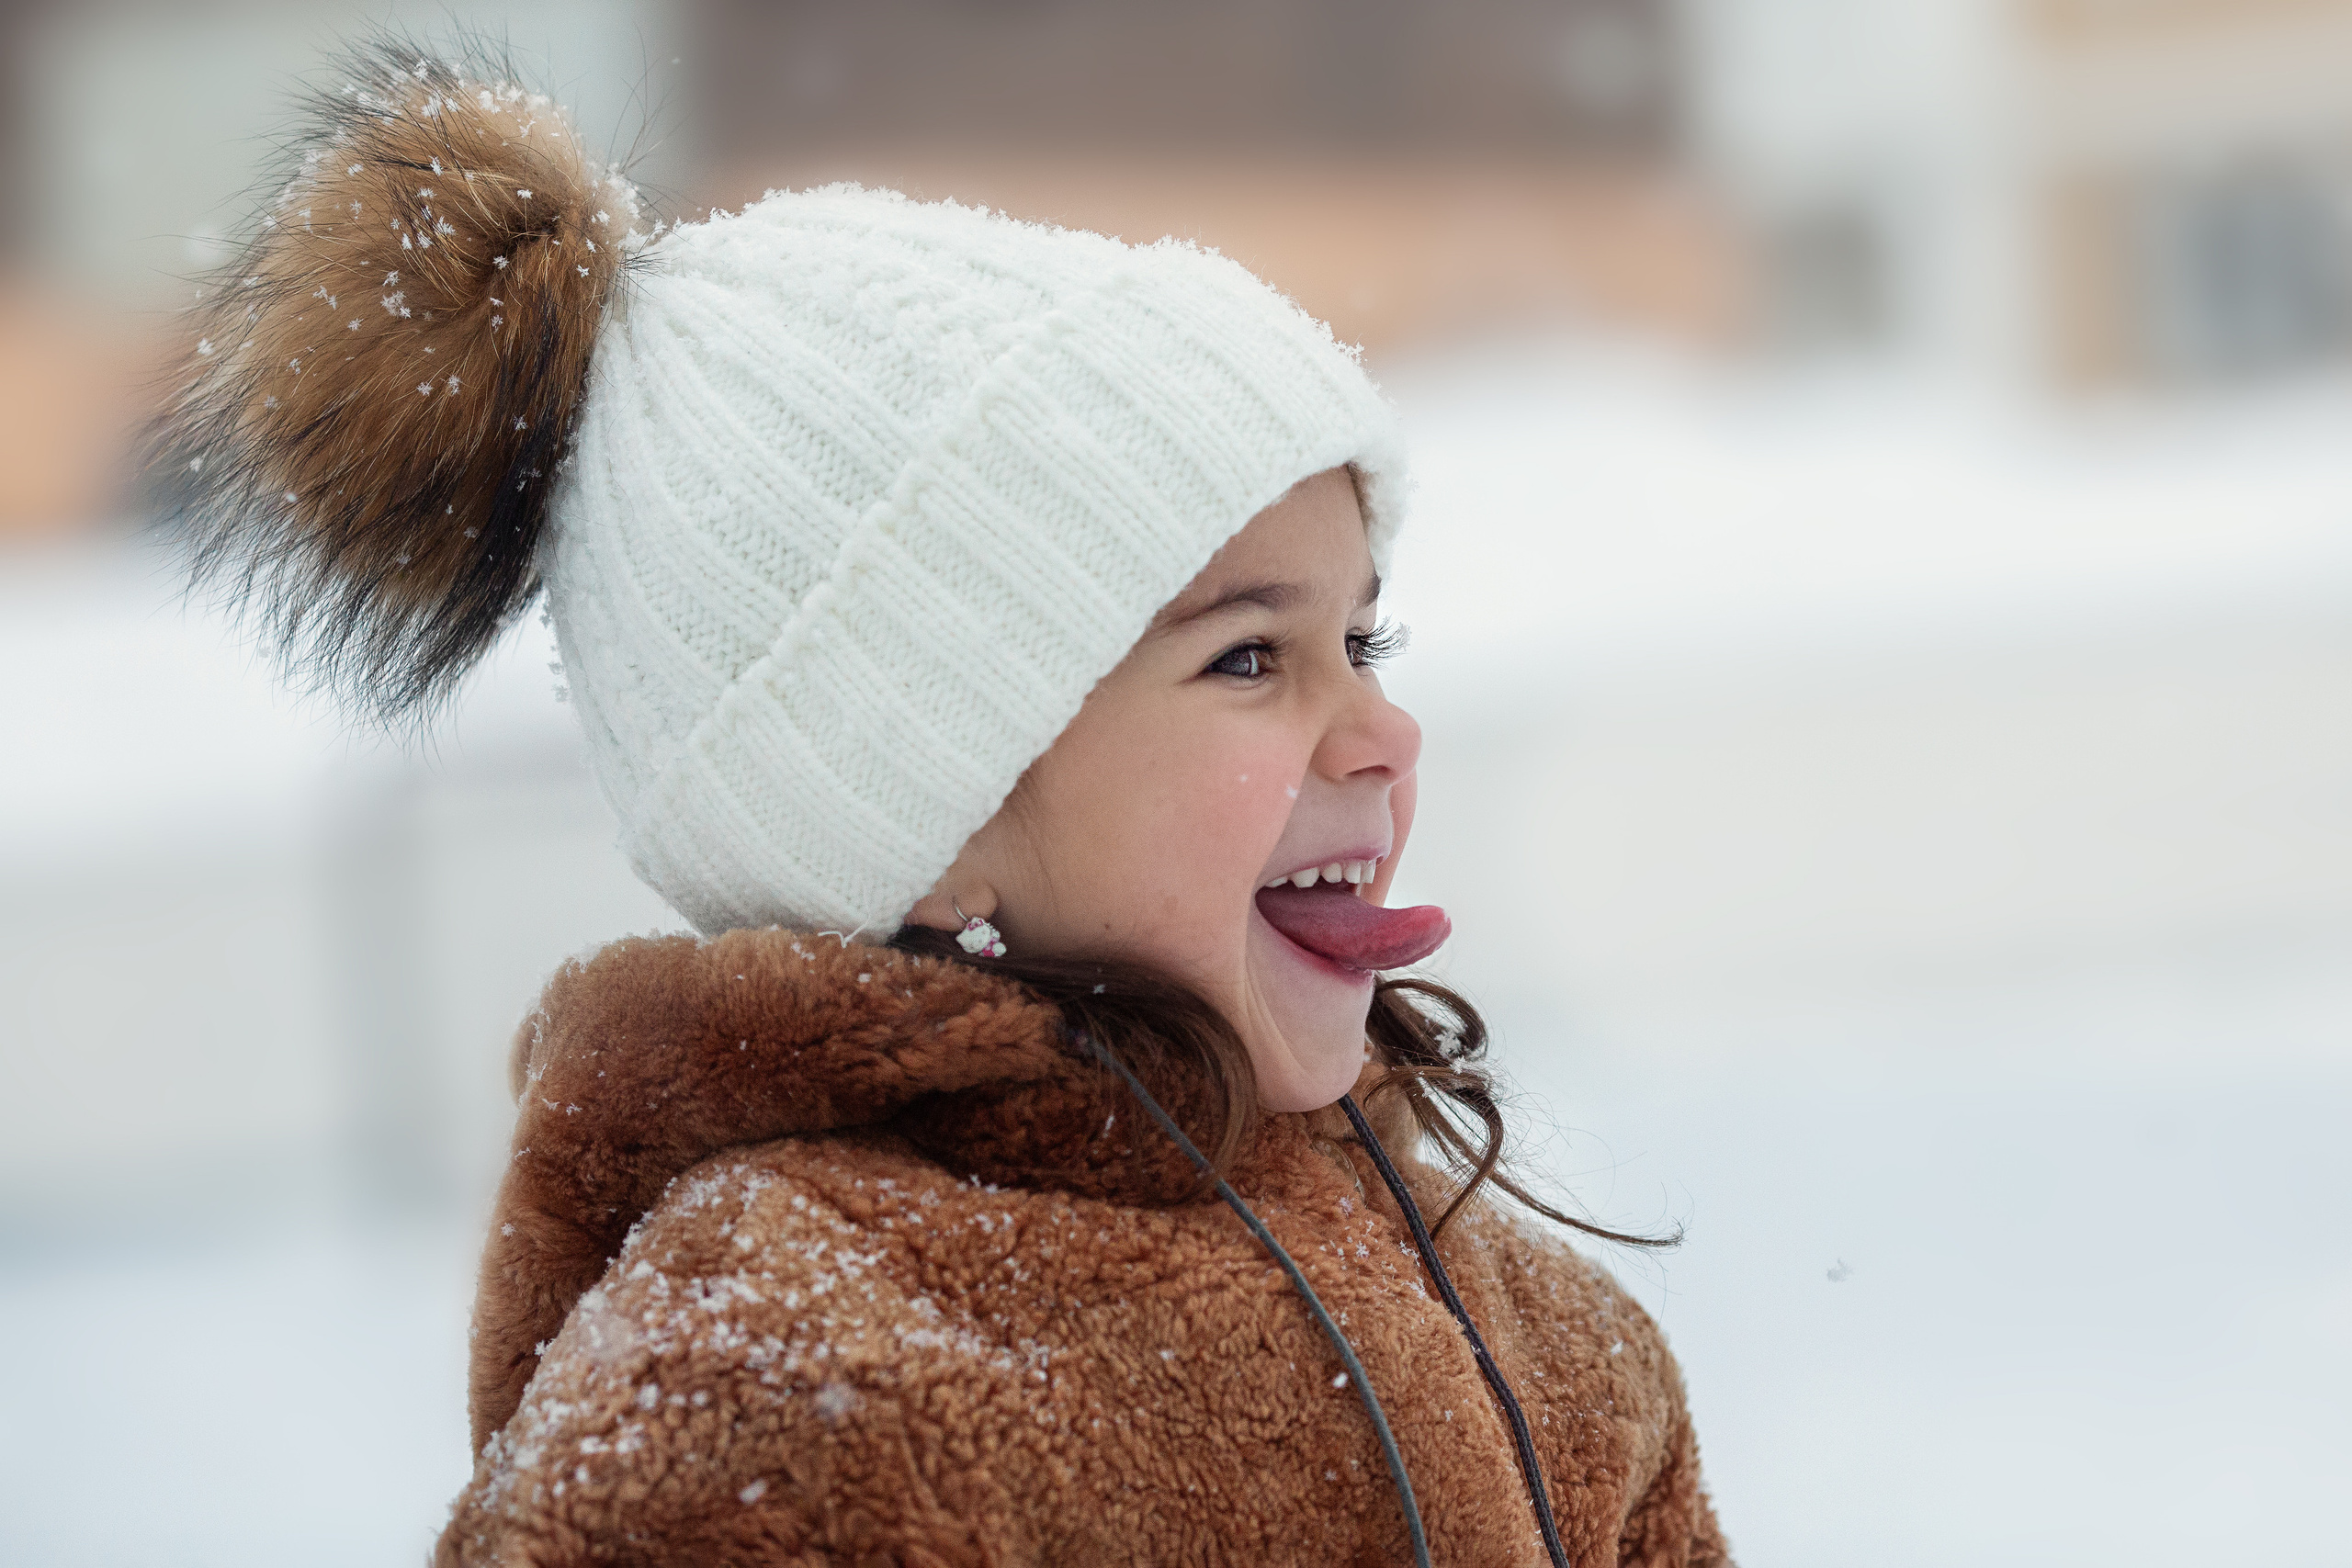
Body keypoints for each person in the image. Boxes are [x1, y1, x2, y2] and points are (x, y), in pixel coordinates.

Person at [158, 39, 1731, 1567]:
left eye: (1362, 638)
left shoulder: (1543, 1340)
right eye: (1252, 657)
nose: (1379, 729)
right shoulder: (779, 1402)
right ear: (938, 818)